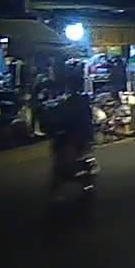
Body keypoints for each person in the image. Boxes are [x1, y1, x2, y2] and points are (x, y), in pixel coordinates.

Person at [47, 67, 94, 196]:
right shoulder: (77, 101)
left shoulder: (71, 102)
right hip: (75, 135)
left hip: (74, 136)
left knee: (65, 164)